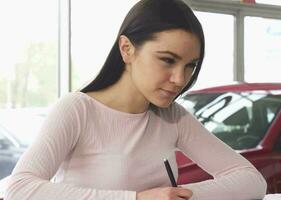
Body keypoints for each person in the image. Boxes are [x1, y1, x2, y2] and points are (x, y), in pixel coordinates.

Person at [5, 0, 267, 199]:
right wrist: (136, 198)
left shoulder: (173, 117)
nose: (180, 78)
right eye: (167, 60)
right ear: (127, 49)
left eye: (190, 65)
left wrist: (179, 195)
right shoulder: (78, 109)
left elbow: (252, 181)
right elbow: (20, 188)